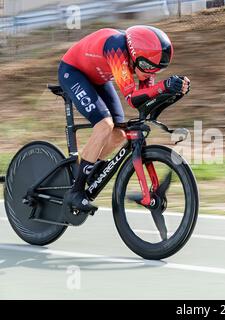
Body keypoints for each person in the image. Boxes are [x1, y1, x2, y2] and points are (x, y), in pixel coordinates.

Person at [58, 26, 190, 212]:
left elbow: (145, 101)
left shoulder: (142, 63)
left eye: (156, 70)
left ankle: (86, 167)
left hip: (98, 79)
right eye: (146, 67)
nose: (149, 73)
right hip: (73, 72)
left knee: (119, 134)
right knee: (104, 125)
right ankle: (76, 191)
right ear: (136, 55)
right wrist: (163, 86)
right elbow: (132, 98)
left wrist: (172, 92)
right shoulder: (116, 48)